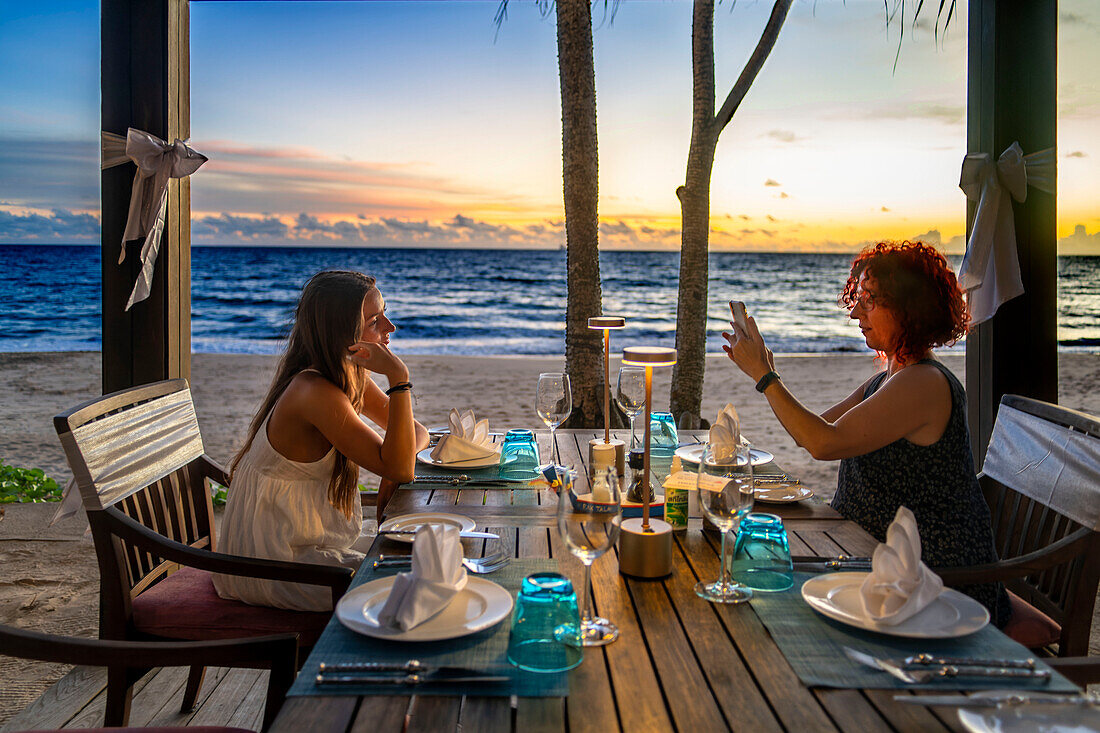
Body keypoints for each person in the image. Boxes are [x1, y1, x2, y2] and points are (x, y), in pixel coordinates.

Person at [722, 240, 1010, 626]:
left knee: (755, 591)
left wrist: (764, 375)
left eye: (870, 300)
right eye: (857, 298)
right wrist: (767, 369)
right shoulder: (889, 379)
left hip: (927, 583)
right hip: (867, 557)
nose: (856, 312)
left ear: (910, 306)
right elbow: (809, 433)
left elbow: (822, 443)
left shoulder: (924, 383)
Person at [213, 270, 428, 612]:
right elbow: (402, 465)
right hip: (269, 563)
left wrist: (391, 468)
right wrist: (399, 378)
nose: (390, 327)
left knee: (426, 557)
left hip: (304, 541)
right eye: (375, 320)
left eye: (385, 313)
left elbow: (417, 433)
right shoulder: (314, 391)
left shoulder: (344, 373)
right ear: (341, 333)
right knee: (420, 584)